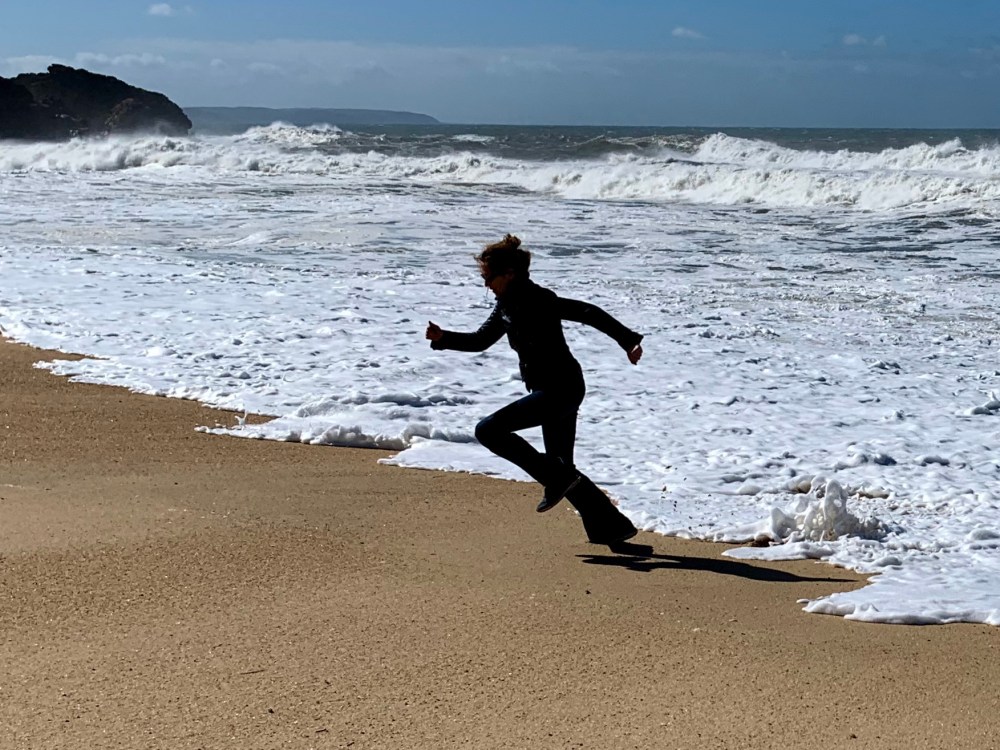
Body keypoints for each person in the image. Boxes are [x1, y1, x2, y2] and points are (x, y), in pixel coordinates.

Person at [426, 234, 643, 541]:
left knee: (489, 431)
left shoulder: (538, 298)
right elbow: (480, 340)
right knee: (562, 469)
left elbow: (587, 312)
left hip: (562, 389)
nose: (486, 284)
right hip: (550, 390)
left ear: (509, 274)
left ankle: (563, 484)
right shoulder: (505, 306)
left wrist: (628, 340)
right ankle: (612, 527)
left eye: (488, 277)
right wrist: (444, 338)